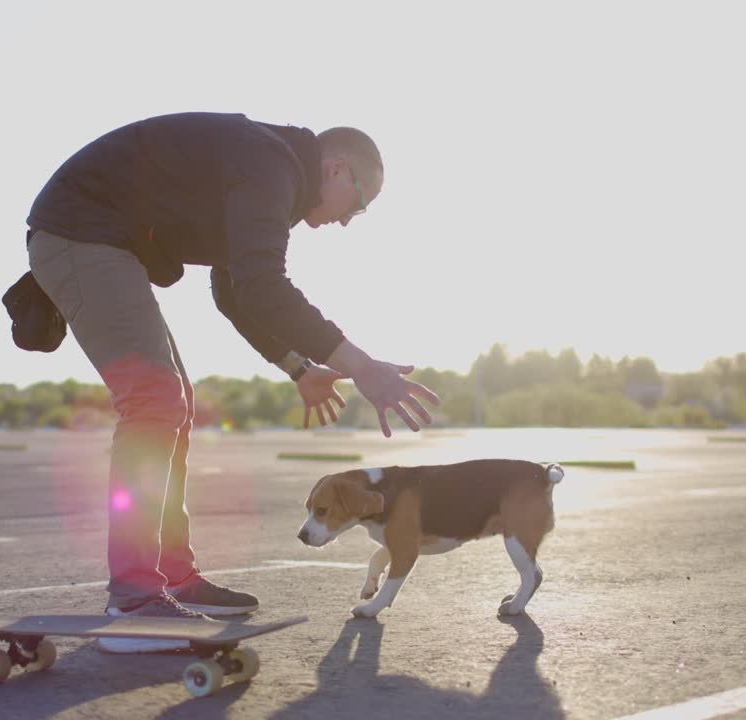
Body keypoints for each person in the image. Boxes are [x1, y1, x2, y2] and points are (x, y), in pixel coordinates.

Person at [23, 112, 439, 652]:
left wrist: (297, 367)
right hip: (79, 232)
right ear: (337, 169)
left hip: (102, 238)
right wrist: (362, 366)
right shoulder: (270, 165)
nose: (346, 222)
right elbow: (263, 285)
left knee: (173, 404)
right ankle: (134, 599)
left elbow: (234, 289)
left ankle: (172, 575)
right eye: (358, 205)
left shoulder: (270, 176)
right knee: (153, 401)